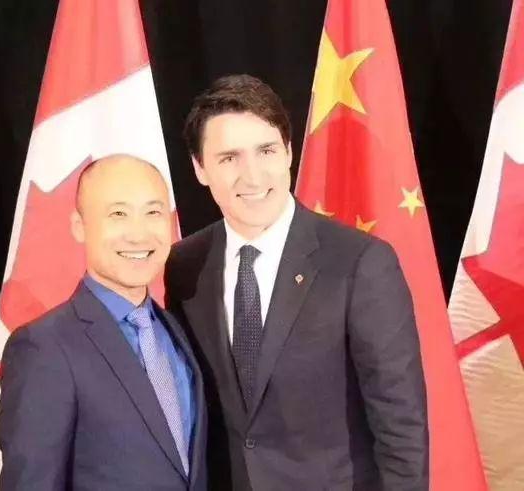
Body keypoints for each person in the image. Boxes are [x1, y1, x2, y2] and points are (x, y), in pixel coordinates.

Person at [165, 75, 428, 491]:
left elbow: (402, 427)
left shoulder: (360, 263)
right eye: (229, 158)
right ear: (200, 168)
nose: (252, 176)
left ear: (288, 151)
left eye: (266, 151)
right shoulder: (184, 264)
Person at [0, 154, 207, 491]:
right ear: (79, 226)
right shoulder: (44, 348)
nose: (138, 234)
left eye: (153, 212)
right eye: (118, 214)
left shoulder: (178, 328)